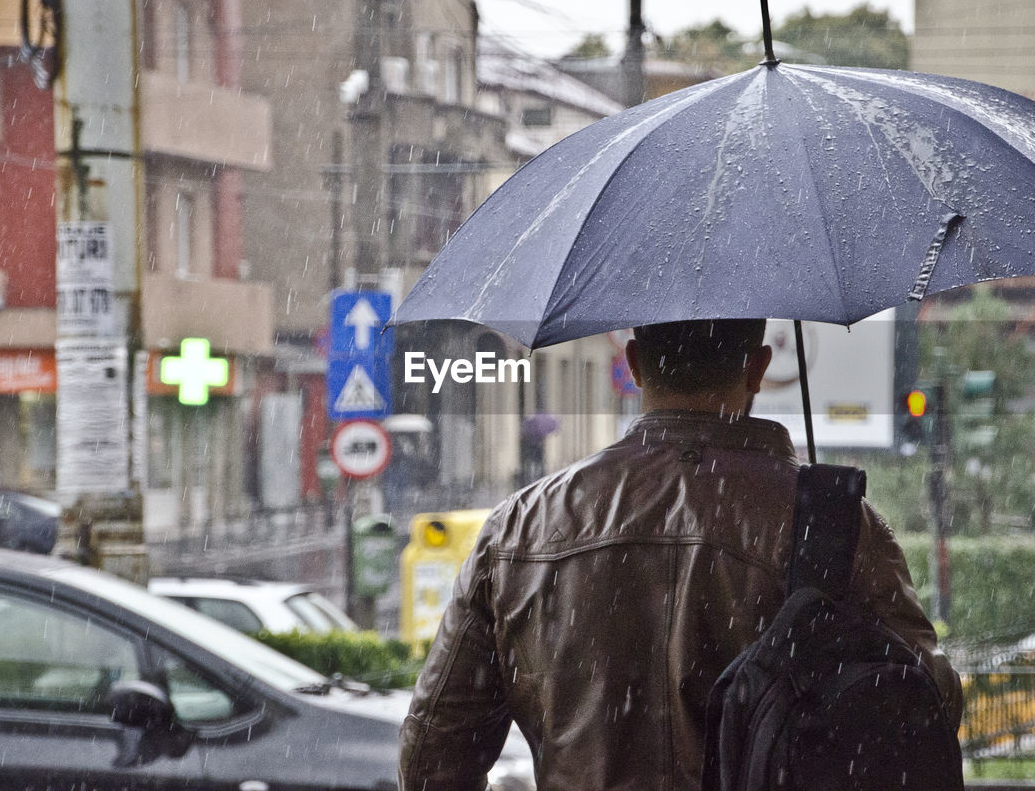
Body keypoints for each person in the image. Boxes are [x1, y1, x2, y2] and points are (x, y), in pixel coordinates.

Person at [399, 319, 962, 791]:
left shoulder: (519, 530)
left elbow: (430, 759)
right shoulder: (836, 527)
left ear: (637, 363)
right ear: (759, 368)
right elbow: (928, 705)